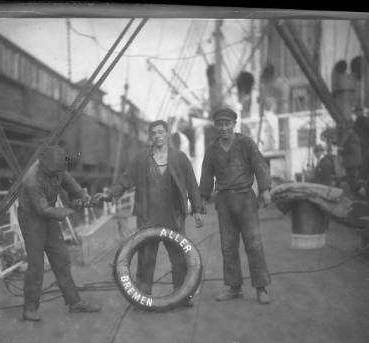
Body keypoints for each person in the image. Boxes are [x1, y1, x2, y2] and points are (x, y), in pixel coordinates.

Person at [95, 120, 204, 306]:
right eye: (153, 133)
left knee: (179, 258)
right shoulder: (140, 159)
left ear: (167, 134)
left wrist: (197, 209)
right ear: (150, 137)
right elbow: (125, 180)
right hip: (148, 216)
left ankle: (183, 295)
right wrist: (109, 194)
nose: (157, 136)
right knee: (146, 258)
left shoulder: (180, 158)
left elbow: (192, 184)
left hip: (173, 216)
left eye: (161, 132)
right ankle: (143, 295)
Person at [18, 145, 101, 321]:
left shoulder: (57, 168)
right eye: (54, 171)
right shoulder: (31, 180)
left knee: (61, 258)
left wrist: (83, 197)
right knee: (36, 265)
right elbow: (42, 209)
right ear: (44, 165)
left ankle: (74, 302)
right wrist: (65, 212)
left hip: (48, 216)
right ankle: (29, 308)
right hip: (32, 218)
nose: (57, 174)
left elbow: (72, 186)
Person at [199, 108, 272, 305]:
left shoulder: (245, 143)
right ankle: (234, 287)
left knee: (254, 244)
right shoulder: (212, 150)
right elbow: (206, 176)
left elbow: (259, 165)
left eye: (227, 123)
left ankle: (261, 287)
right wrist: (203, 200)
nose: (224, 128)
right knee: (228, 246)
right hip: (224, 201)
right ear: (216, 126)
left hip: (246, 200)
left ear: (234, 124)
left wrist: (265, 189)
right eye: (220, 124)